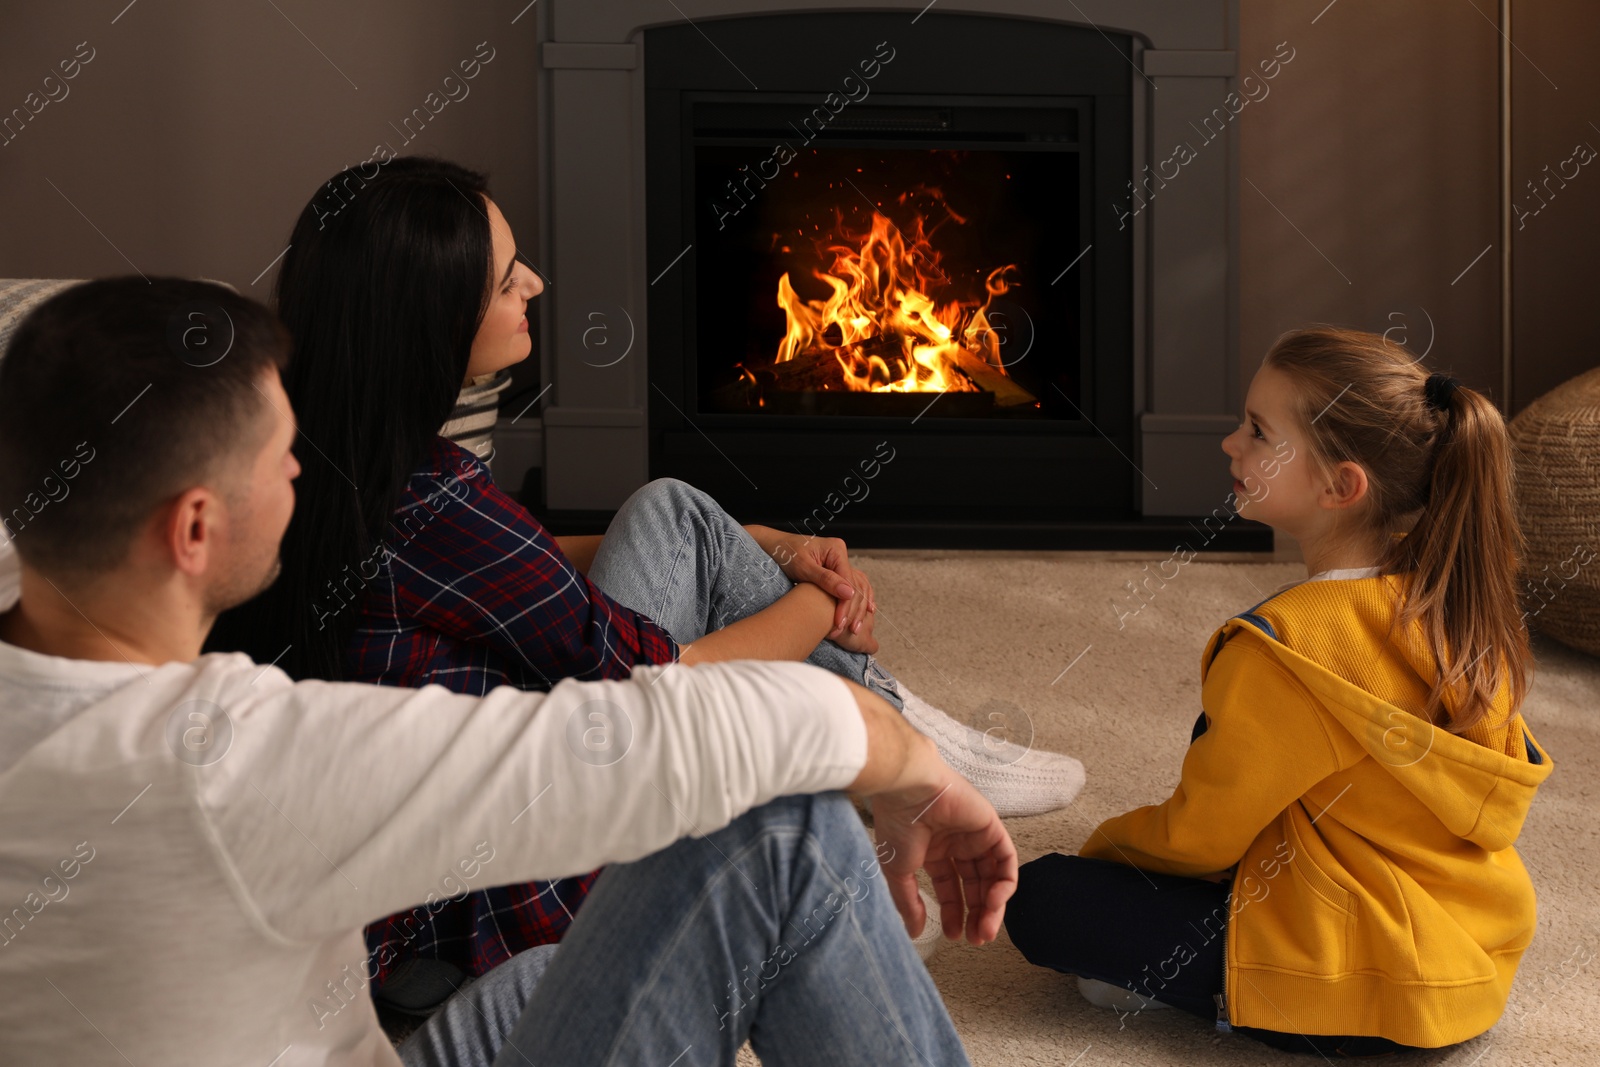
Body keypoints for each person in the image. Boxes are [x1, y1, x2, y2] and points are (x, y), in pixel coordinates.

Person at [0, 277, 1015, 1066]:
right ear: (192, 527)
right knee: (781, 830)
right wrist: (916, 766)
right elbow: (700, 728)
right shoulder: (231, 762)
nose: (302, 471)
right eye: (278, 457)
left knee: (555, 971)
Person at [202, 157, 1082, 1006]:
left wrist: (763, 543)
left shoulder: (319, 446)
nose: (537, 284)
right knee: (684, 555)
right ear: (432, 314)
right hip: (512, 896)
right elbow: (672, 686)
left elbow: (520, 552)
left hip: (427, 848)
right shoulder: (427, 501)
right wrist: (818, 601)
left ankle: (901, 734)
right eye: (507, 278)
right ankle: (901, 734)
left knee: (674, 513)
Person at [1004, 327, 1555, 1056]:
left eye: (1259, 433)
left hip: (1361, 986)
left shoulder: (1288, 647)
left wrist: (1104, 850)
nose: (1231, 444)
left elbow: (1201, 835)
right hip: (1466, 962)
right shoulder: (1455, 605)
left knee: (1039, 898)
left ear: (1340, 485)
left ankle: (1222, 994)